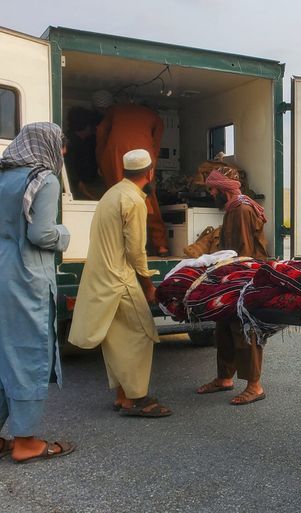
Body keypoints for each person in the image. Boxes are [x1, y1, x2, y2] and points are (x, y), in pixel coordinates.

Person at [69, 149, 172, 418]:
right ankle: (136, 399)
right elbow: (135, 251)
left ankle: (122, 396)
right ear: (150, 173)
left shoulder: (111, 194)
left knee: (116, 338)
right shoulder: (134, 200)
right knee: (141, 334)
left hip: (101, 277)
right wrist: (148, 285)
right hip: (119, 278)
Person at [0, 123, 75, 463]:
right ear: (48, 146)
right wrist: (64, 234)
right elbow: (41, 234)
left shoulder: (3, 176)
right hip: (25, 275)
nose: (61, 157)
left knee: (2, 353)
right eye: (61, 150)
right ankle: (25, 442)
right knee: (29, 350)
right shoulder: (43, 179)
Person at [196, 167, 269, 405]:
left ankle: (255, 386)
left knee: (244, 330)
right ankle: (224, 378)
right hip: (232, 277)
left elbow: (244, 251)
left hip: (243, 278)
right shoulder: (234, 208)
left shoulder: (241, 209)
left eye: (212, 188)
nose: (211, 193)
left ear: (223, 189)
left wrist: (236, 280)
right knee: (224, 328)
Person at [94, 92, 169, 257]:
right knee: (148, 198)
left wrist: (101, 161)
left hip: (115, 153)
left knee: (117, 199)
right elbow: (155, 146)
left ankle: (119, 246)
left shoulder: (115, 110)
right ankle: (161, 245)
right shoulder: (156, 118)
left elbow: (100, 131)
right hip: (144, 155)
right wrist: (151, 169)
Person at [64, 106, 103, 200]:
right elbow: (69, 168)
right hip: (76, 190)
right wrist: (80, 184)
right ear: (87, 127)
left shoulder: (85, 141)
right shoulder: (70, 143)